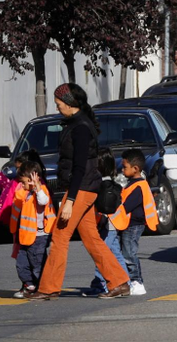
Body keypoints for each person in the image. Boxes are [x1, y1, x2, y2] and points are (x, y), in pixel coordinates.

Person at [26, 83, 129, 300]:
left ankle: (48, 288)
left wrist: (70, 199)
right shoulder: (76, 124)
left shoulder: (81, 127)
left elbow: (80, 167)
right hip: (85, 188)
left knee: (60, 237)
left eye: (59, 103)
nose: (57, 107)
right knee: (91, 238)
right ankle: (119, 281)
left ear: (70, 103)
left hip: (80, 189)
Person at [81, 148, 129, 297]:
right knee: (115, 253)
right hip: (115, 223)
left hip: (106, 223)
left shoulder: (98, 184)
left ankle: (101, 284)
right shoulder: (112, 182)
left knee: (101, 254)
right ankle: (125, 283)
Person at [9, 161, 56, 299]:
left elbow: (43, 201)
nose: (21, 186)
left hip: (39, 237)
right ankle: (29, 285)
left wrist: (37, 187)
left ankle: (43, 287)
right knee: (22, 263)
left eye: (23, 182)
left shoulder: (41, 192)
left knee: (37, 264)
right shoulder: (27, 194)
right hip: (26, 237)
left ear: (32, 180)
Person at [117, 148, 159, 296]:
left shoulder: (138, 186)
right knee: (127, 252)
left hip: (134, 225)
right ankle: (133, 280)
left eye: (124, 167)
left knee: (129, 253)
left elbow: (127, 206)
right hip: (130, 224)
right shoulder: (133, 184)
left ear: (135, 169)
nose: (122, 170)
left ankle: (137, 282)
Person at [0, 150, 46, 244]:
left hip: (31, 225)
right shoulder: (16, 181)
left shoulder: (36, 184)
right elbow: (6, 186)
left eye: (19, 168)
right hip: (18, 221)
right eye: (17, 168)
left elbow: (43, 200)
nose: (17, 171)